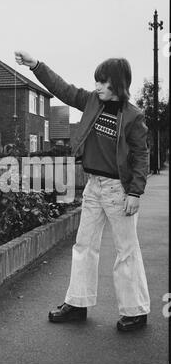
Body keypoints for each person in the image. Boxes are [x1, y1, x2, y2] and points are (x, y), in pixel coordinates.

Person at [15, 51, 150, 332]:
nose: (97, 86)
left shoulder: (134, 116)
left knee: (126, 250)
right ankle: (77, 303)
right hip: (93, 186)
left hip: (118, 190)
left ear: (117, 84)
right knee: (84, 246)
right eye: (97, 82)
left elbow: (141, 155)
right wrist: (36, 66)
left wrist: (135, 193)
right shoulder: (91, 101)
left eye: (103, 82)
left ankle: (135, 310)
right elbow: (62, 88)